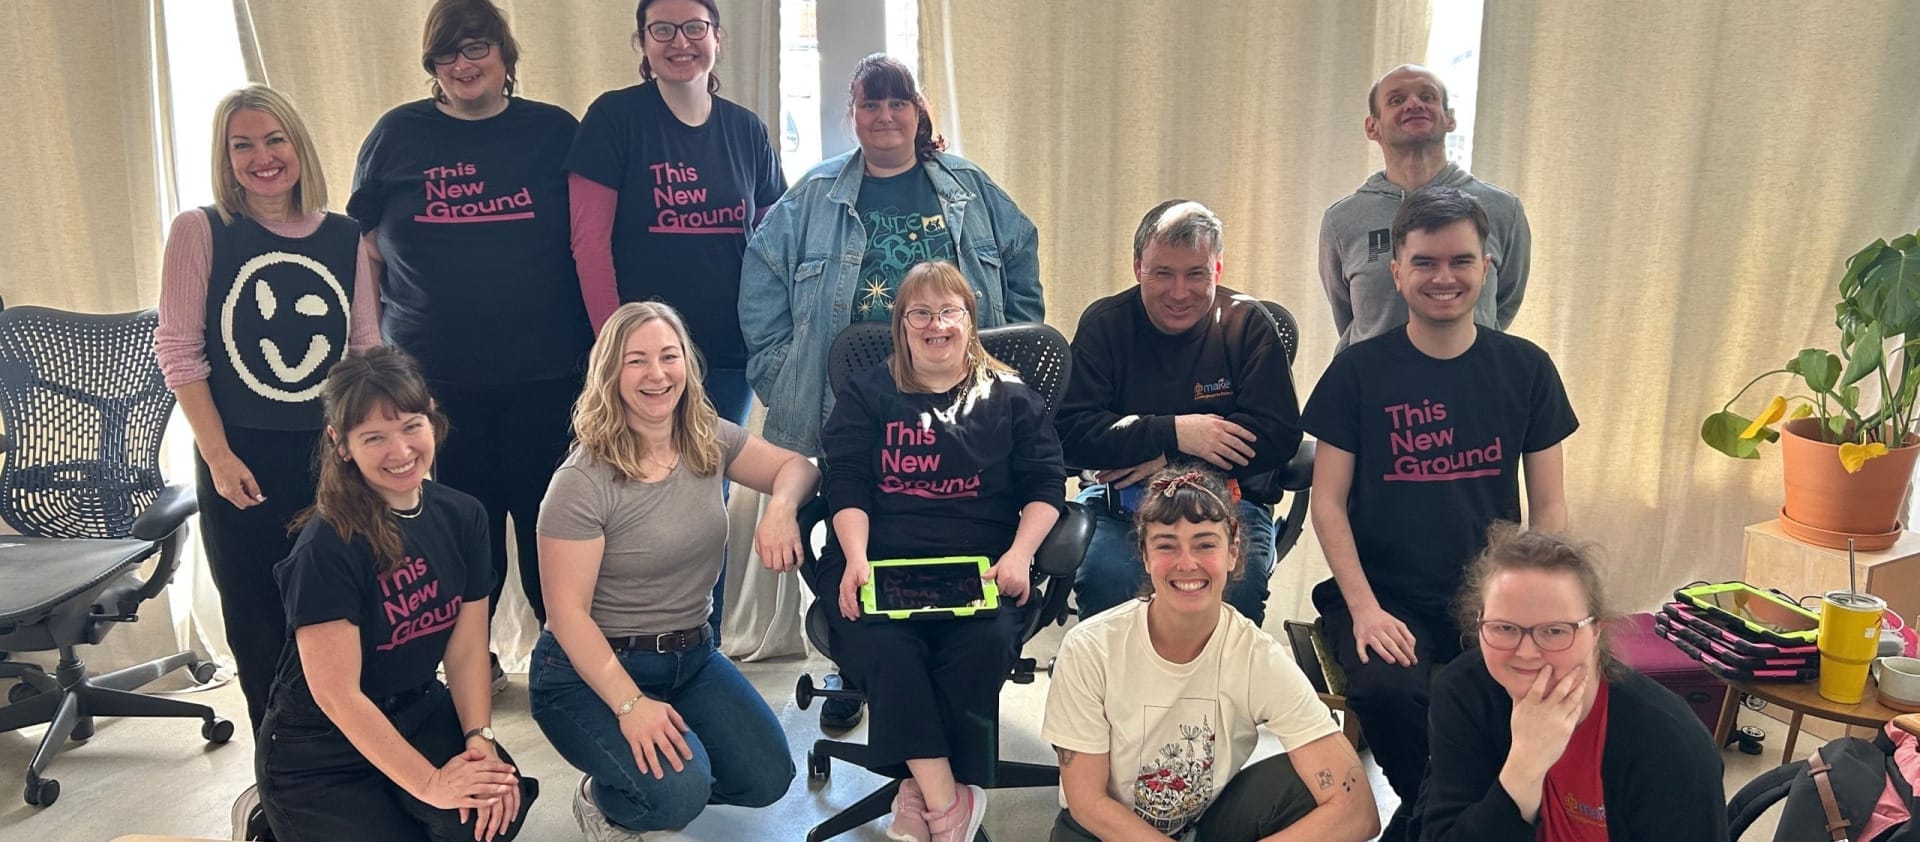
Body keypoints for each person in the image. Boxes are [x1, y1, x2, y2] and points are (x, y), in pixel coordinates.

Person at [1302, 185, 1576, 841]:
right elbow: (1327, 503)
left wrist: (1530, 606)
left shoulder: (1527, 370)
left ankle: (1434, 825)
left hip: (1492, 600)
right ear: (1397, 272)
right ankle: (1453, 820)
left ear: (1488, 269)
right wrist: (1365, 608)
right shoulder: (1358, 373)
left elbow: (1552, 507)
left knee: (1535, 694)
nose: (1443, 277)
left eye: (1460, 260)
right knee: (1391, 693)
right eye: (1424, 262)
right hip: (1383, 598)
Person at [349, 0, 590, 677]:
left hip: (548, 377)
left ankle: (569, 663)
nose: (463, 64)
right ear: (432, 66)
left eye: (476, 47)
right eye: (447, 53)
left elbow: (590, 238)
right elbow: (363, 251)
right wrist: (368, 358)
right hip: (432, 389)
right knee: (457, 538)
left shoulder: (552, 132)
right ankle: (466, 667)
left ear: (506, 56)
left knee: (553, 535)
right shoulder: (398, 135)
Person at [530, 301, 813, 838]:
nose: (657, 374)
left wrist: (779, 507)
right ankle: (605, 797)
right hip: (588, 670)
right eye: (636, 361)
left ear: (688, 362)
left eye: (669, 355)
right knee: (677, 795)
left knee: (767, 778)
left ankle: (670, 767)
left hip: (692, 657)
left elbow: (795, 468)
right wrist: (630, 704)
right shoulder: (581, 482)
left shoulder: (707, 438)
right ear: (610, 373)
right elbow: (566, 616)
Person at [155, 83, 380, 733]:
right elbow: (180, 350)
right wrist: (217, 455)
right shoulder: (201, 231)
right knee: (259, 625)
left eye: (275, 139)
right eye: (242, 145)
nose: (262, 157)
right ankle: (279, 770)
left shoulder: (344, 237)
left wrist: (365, 455)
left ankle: (351, 764)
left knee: (342, 616)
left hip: (332, 458)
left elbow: (364, 351)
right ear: (225, 159)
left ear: (298, 147)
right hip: (241, 459)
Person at [814, 261, 1064, 842]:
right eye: (919, 313)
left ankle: (914, 789)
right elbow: (844, 481)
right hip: (875, 562)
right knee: (884, 643)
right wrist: (853, 557)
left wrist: (1021, 554)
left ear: (969, 320)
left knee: (983, 641)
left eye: (948, 311)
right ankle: (949, 805)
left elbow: (1046, 487)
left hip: (982, 568)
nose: (935, 325)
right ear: (900, 324)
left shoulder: (1011, 397)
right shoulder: (867, 393)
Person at [567, 0, 786, 646]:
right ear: (642, 41)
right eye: (663, 29)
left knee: (702, 505)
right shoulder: (615, 120)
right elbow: (588, 242)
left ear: (717, 38)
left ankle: (700, 646)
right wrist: (614, 352)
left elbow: (776, 243)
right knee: (633, 502)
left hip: (727, 355)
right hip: (643, 365)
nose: (680, 41)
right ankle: (622, 652)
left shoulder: (747, 131)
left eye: (695, 27)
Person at [255, 347, 536, 842]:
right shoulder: (326, 545)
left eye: (411, 426)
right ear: (340, 444)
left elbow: (468, 647)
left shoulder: (463, 515)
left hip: (418, 708)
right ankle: (274, 821)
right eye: (374, 438)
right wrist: (431, 783)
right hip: (320, 744)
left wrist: (480, 738)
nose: (401, 451)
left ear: (432, 417)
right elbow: (338, 697)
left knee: (491, 813)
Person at [1044, 467, 1379, 842]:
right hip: (1100, 832)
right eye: (1167, 545)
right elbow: (1087, 801)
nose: (1187, 563)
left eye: (1205, 544)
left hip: (1201, 826)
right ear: (1144, 554)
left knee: (1302, 781)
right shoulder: (1090, 648)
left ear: (1233, 551)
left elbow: (1358, 813)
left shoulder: (1256, 657)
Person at [741, 52, 1044, 460]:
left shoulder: (969, 187)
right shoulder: (812, 195)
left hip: (961, 400)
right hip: (847, 405)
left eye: (898, 103)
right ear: (853, 114)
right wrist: (784, 373)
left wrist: (1006, 349)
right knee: (852, 511)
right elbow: (762, 274)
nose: (885, 115)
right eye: (871, 104)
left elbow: (1020, 253)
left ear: (917, 112)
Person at [1055, 200, 1301, 626]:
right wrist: (1174, 432)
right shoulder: (1105, 324)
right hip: (1122, 507)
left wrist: (1169, 458)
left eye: (1196, 274)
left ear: (1217, 269)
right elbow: (1070, 436)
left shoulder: (1247, 324)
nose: (1179, 292)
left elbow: (1278, 435)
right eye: (1163, 273)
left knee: (1233, 585)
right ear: (1137, 267)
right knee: (1107, 581)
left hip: (1227, 502)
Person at [1422, 525, 1727, 841]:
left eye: (1554, 631)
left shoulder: (1668, 742)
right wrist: (1524, 767)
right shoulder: (1463, 694)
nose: (1526, 653)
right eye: (1504, 628)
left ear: (1597, 631)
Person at [1318, 64, 1532, 350]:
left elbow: (1504, 303)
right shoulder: (1342, 220)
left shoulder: (1504, 209)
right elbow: (1348, 314)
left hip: (1470, 384)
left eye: (1427, 97)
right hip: (1373, 387)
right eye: (1397, 100)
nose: (1414, 104)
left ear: (1450, 119)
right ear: (1372, 126)